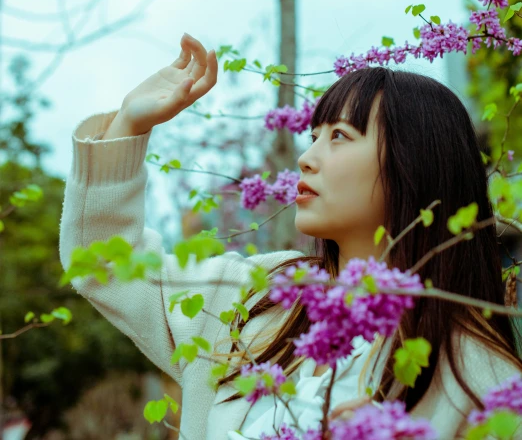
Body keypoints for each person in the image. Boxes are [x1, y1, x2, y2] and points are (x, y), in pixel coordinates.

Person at [59, 32, 522, 440]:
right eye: (314, 135)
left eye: (339, 136)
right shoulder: (256, 297)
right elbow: (103, 265)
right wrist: (129, 124)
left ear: (414, 161)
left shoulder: (482, 383)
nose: (306, 157)